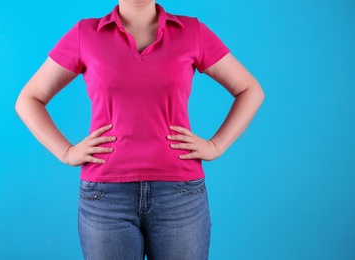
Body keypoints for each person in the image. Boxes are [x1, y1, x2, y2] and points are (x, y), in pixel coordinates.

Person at [15, 0, 264, 259]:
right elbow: (29, 99)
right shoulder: (85, 34)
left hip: (179, 194)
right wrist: (66, 152)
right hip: (106, 196)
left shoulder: (192, 32)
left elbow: (250, 90)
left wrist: (216, 145)